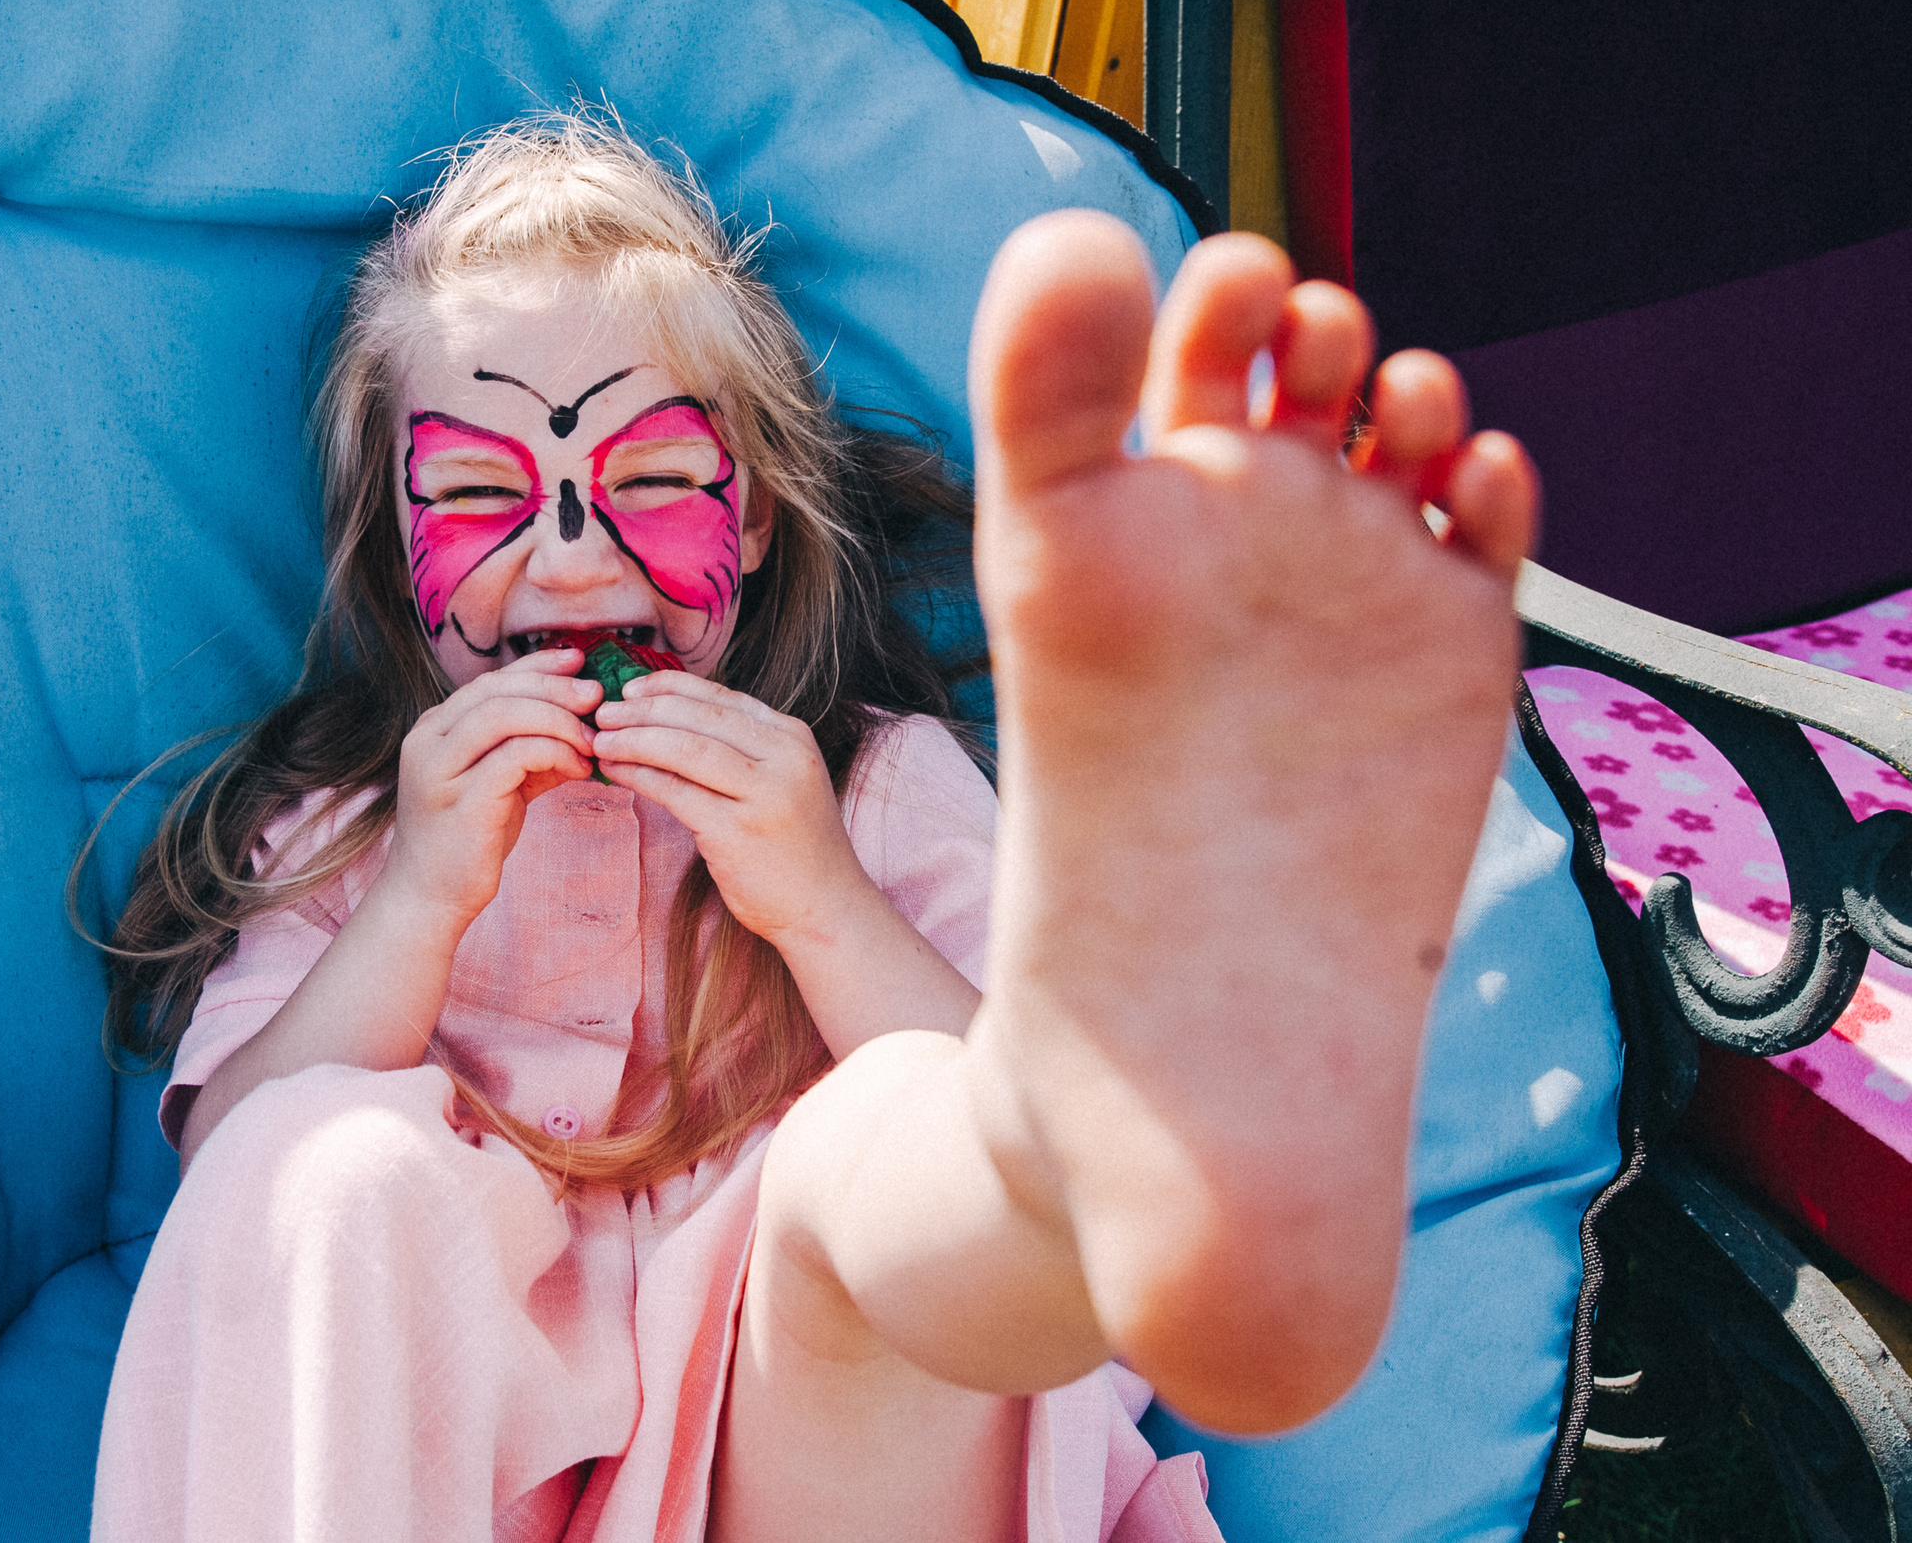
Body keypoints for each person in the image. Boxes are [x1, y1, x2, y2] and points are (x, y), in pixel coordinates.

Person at [87, 111, 1538, 1543]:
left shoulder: (869, 788)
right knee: (324, 1163)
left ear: (760, 516)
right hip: (440, 1487)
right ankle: (1138, 1186)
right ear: (392, 552)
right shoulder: (351, 832)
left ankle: (1147, 1188)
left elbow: (971, 1069)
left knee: (886, 1140)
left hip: (809, 1460)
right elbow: (228, 1161)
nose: (573, 555)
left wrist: (823, 900)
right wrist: (417, 898)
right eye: (478, 493)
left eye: (655, 479)